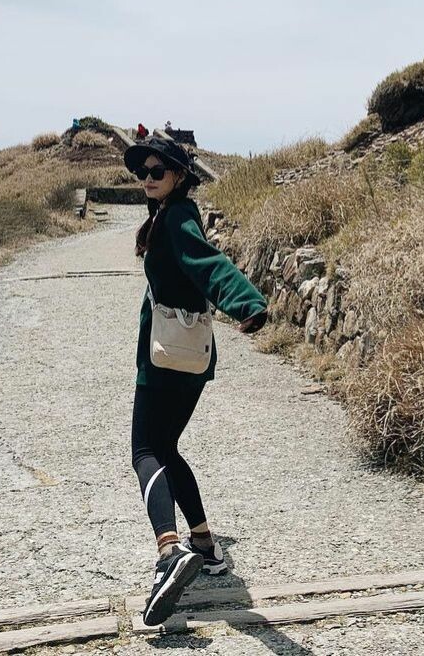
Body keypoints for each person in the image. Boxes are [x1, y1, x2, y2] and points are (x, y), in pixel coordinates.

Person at [122, 134, 268, 626]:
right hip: (191, 354)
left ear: (180, 175)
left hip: (165, 356)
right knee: (168, 447)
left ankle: (170, 552)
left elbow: (211, 265)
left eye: (157, 170)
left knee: (145, 450)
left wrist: (245, 301)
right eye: (142, 171)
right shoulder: (168, 215)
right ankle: (205, 546)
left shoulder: (180, 218)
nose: (147, 177)